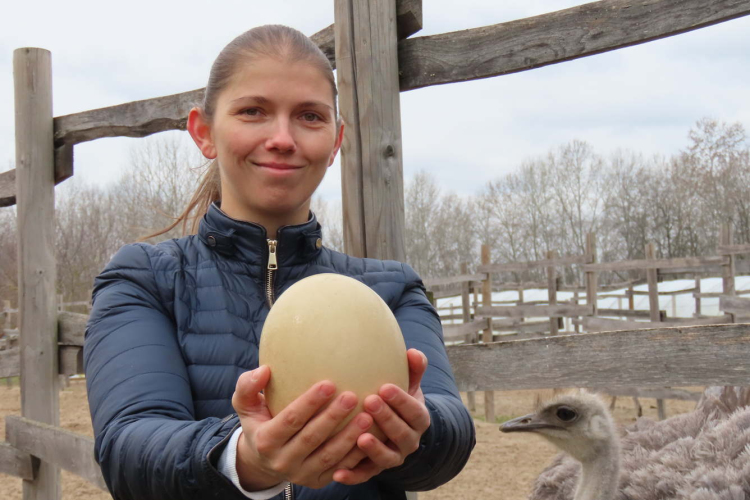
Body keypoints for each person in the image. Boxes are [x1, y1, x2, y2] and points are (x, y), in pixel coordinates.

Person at [84, 25, 475, 500]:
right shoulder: (145, 279)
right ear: (204, 132)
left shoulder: (391, 289)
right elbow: (129, 448)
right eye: (253, 112)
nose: (283, 138)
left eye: (310, 116)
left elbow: (448, 426)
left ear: (335, 142)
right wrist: (243, 459)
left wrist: (419, 432)